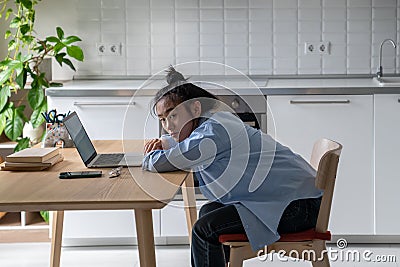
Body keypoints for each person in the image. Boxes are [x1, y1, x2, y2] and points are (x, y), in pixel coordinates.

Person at [142, 67, 323, 267]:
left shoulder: (214, 131)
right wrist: (166, 144)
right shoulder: (214, 121)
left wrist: (152, 154)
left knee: (205, 229)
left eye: (173, 116)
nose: (168, 126)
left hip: (299, 208)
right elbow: (187, 146)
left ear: (195, 109)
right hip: (292, 199)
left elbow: (170, 159)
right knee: (207, 213)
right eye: (162, 120)